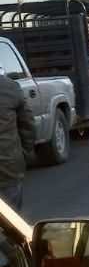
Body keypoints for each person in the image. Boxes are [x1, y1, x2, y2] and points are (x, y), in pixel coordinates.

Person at [0, 66, 35, 211]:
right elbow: (28, 127)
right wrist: (22, 157)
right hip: (7, 168)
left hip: (8, 168)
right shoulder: (9, 87)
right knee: (11, 227)